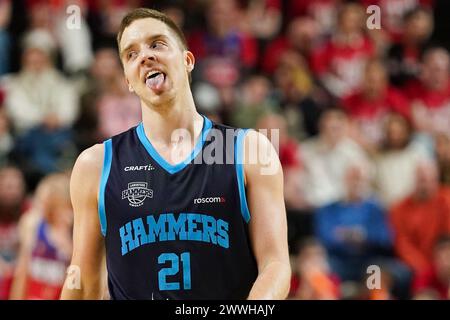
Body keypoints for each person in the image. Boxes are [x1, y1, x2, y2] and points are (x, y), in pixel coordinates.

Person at [60, 8, 290, 300]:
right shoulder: (95, 165)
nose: (145, 56)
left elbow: (275, 264)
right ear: (128, 80)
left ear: (188, 60)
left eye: (157, 44)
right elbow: (82, 278)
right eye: (131, 54)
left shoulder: (248, 150)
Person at [9, 173, 73, 300]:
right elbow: (22, 272)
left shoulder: (73, 230)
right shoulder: (32, 223)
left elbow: (79, 276)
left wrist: (66, 243)